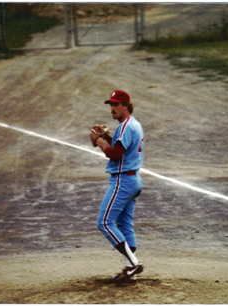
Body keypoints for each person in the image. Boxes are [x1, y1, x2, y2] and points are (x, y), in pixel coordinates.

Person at [90, 90, 145, 284]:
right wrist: (107, 136)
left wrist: (100, 141)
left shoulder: (125, 127)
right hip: (134, 180)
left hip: (123, 181)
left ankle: (134, 263)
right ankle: (130, 268)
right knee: (124, 225)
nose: (112, 108)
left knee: (104, 222)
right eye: (110, 105)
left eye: (115, 105)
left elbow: (115, 154)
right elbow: (123, 147)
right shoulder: (134, 125)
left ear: (125, 106)